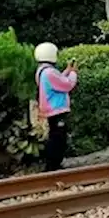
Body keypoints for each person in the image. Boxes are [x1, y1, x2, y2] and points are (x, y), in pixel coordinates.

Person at [35, 43, 77, 172]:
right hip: (56, 110)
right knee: (58, 138)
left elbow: (58, 81)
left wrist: (67, 71)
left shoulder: (42, 70)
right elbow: (67, 84)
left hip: (50, 110)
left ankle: (52, 164)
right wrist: (73, 73)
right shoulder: (50, 72)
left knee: (55, 136)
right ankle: (53, 165)